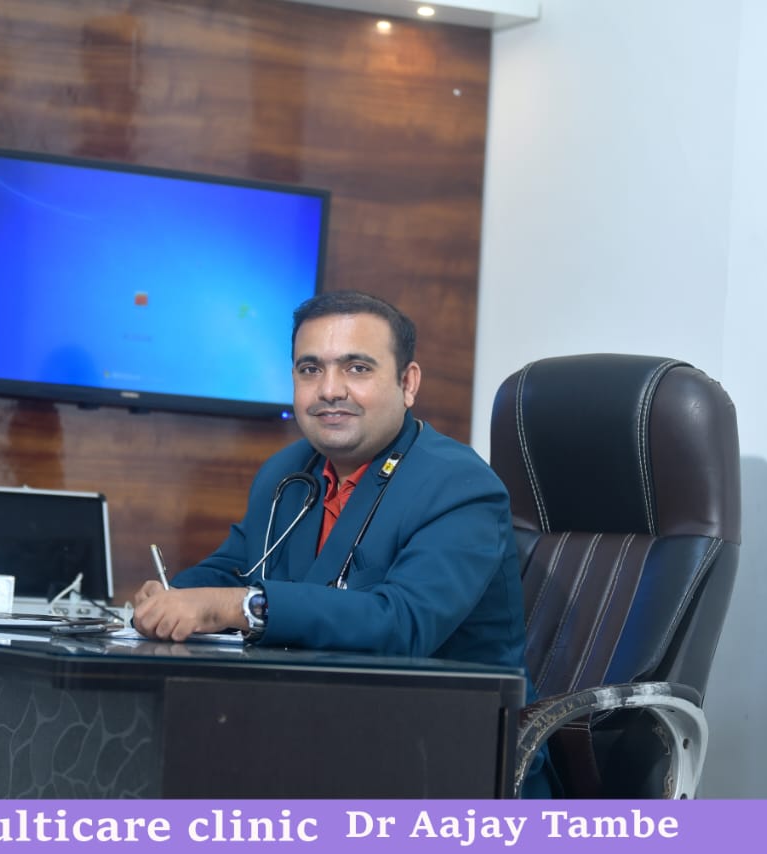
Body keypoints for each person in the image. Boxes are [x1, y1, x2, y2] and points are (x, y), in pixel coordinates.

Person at [133, 290, 551, 797]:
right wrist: (171, 597)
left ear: (408, 383)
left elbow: (402, 624)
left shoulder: (460, 486)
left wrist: (236, 606)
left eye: (357, 368)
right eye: (310, 369)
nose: (330, 390)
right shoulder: (288, 471)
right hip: (310, 733)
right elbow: (235, 567)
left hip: (448, 758)